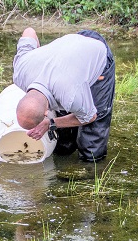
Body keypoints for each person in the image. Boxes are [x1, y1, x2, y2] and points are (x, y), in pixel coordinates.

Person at [12, 27, 115, 162]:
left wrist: (50, 123)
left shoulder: (71, 95)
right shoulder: (20, 72)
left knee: (91, 144)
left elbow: (90, 117)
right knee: (63, 145)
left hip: (96, 52)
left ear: (46, 113)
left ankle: (91, 164)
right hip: (69, 56)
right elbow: (29, 31)